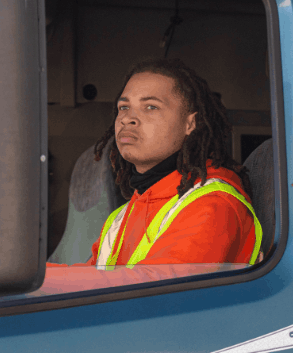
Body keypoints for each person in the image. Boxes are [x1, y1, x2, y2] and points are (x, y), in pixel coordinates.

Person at [39, 58, 261, 293]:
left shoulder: (214, 204)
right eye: (124, 107)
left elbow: (157, 288)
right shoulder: (125, 213)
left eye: (151, 107)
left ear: (190, 124)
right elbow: (94, 278)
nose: (127, 118)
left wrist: (32, 280)